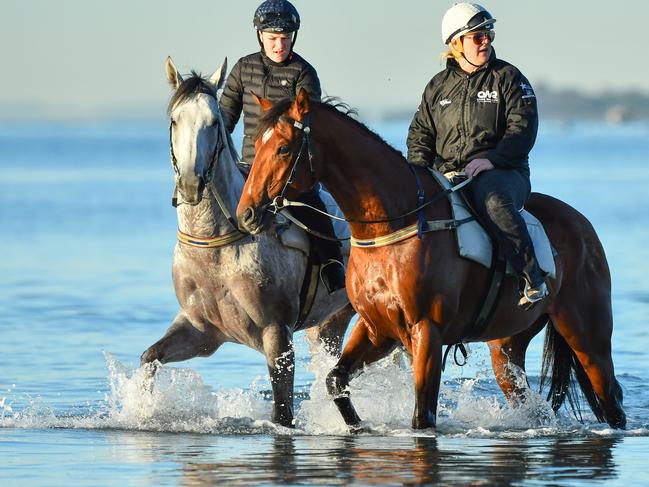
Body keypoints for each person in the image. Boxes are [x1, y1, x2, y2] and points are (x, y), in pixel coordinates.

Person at [407, 2, 548, 308]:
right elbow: (420, 136)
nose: (486, 41)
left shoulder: (509, 77)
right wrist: (418, 175)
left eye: (489, 34)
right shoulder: (436, 87)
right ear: (455, 44)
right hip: (448, 175)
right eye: (477, 36)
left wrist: (492, 160)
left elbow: (523, 128)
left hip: (504, 173)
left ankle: (531, 278)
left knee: (494, 202)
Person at [219, 0, 346, 293]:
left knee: (314, 205)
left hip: (290, 172)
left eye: (285, 38)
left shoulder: (304, 73)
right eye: (273, 38)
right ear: (260, 36)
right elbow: (225, 120)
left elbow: (312, 128)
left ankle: (331, 265)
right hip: (248, 167)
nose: (279, 45)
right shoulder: (242, 69)